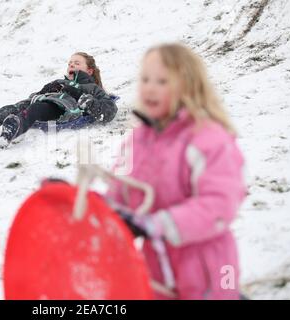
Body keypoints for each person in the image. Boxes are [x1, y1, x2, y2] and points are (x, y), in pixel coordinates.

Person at [106, 43, 246, 299]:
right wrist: (78, 201)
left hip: (206, 269)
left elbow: (219, 204)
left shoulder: (208, 139)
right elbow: (121, 193)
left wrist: (157, 224)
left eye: (162, 81)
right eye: (145, 79)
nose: (149, 87)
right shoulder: (138, 140)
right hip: (155, 268)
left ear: (187, 86)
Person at [0, 52, 117, 148]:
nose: (71, 65)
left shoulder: (91, 87)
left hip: (63, 109)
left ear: (89, 71)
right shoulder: (59, 82)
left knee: (35, 110)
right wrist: (46, 90)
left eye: (77, 63)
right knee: (11, 108)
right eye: (70, 62)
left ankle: (13, 127)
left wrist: (84, 99)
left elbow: (109, 110)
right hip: (43, 102)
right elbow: (37, 95)